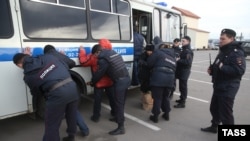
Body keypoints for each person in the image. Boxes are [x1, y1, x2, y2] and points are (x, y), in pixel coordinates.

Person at [13, 47, 79, 141]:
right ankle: (71, 136)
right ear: (28, 56)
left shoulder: (28, 77)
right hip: (72, 87)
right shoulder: (48, 57)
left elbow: (36, 93)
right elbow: (65, 65)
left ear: (19, 65)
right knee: (71, 115)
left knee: (52, 124)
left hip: (57, 94)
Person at [201, 29, 246, 133]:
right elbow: (217, 64)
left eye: (223, 38)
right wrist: (212, 70)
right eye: (220, 38)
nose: (220, 40)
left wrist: (221, 66)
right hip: (219, 85)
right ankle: (214, 126)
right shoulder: (223, 50)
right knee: (214, 109)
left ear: (231, 38)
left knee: (226, 114)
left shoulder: (236, 52)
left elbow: (239, 70)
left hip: (228, 87)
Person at [43, 45, 89, 137]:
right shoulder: (60, 55)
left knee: (55, 119)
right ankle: (84, 130)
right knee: (72, 110)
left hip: (56, 89)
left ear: (45, 52)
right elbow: (72, 63)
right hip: (69, 86)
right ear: (54, 49)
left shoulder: (44, 58)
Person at [89, 46, 130, 135]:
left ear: (98, 52)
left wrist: (93, 82)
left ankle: (121, 127)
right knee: (120, 102)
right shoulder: (112, 52)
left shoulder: (103, 60)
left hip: (120, 81)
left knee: (118, 104)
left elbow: (99, 74)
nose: (95, 57)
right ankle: (117, 117)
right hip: (126, 79)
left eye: (95, 55)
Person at [78, 43, 115, 122]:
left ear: (96, 52)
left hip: (99, 82)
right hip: (109, 81)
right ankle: (114, 113)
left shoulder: (93, 58)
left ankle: (96, 117)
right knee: (112, 98)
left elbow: (83, 62)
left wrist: (82, 50)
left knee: (97, 100)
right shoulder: (108, 55)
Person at [147, 43, 176, 123]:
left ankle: (155, 117)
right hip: (170, 79)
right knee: (165, 97)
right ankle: (166, 114)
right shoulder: (172, 57)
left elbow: (149, 63)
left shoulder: (158, 53)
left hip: (159, 78)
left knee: (157, 98)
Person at [174, 36, 194, 108]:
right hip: (181, 70)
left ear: (188, 42)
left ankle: (183, 102)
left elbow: (188, 62)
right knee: (181, 86)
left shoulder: (188, 51)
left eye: (184, 41)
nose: (182, 42)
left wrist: (178, 60)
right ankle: (181, 98)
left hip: (185, 71)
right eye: (182, 41)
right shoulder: (184, 49)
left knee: (183, 87)